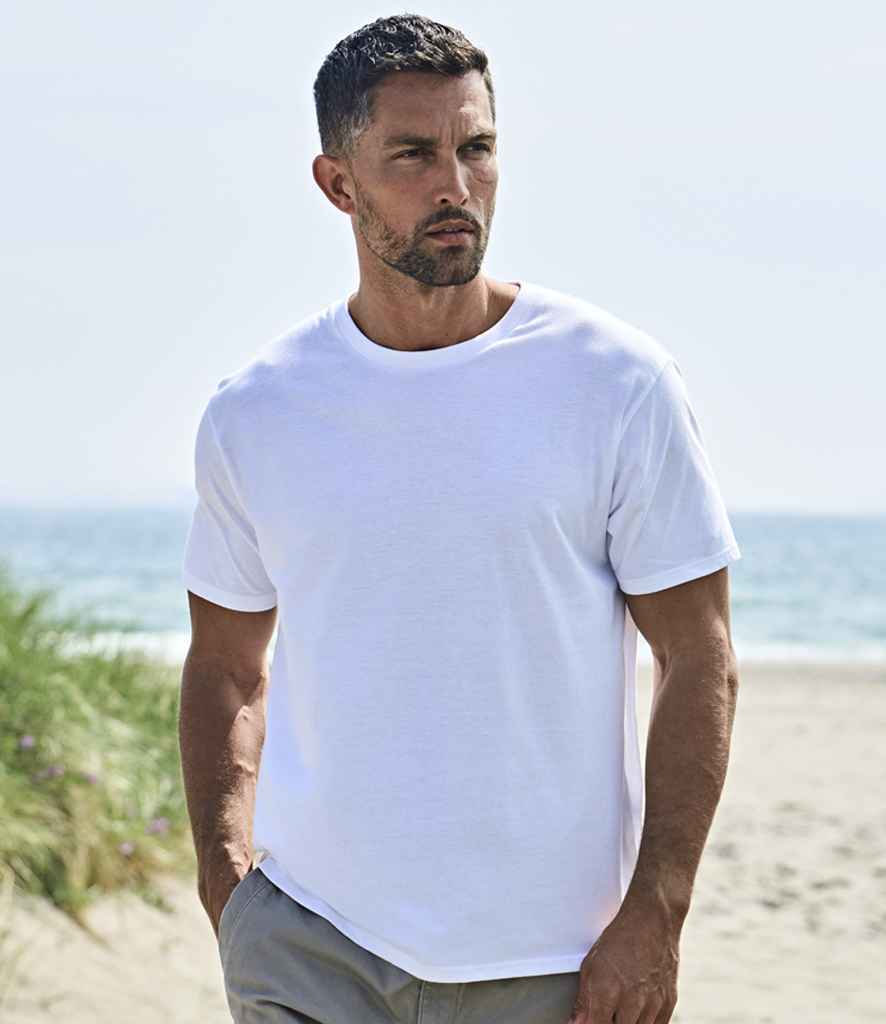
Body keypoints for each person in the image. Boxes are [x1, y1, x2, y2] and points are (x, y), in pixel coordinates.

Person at [179, 13, 742, 1024]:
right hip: (311, 947)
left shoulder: (615, 383)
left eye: (476, 148)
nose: (456, 185)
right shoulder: (256, 412)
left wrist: (657, 911)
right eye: (414, 155)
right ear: (338, 183)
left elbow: (698, 657)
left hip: (552, 962)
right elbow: (225, 664)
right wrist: (228, 884)